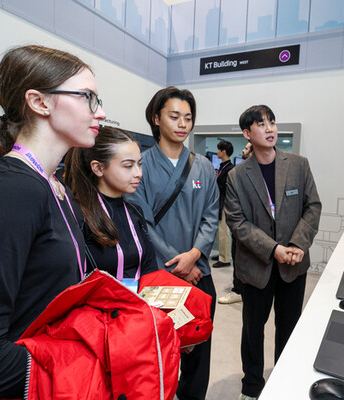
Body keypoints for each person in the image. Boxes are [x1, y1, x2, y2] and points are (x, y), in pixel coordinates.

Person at [0, 44, 106, 399]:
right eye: (88, 98)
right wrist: (85, 361)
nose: (101, 113)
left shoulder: (54, 187)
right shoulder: (12, 191)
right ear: (39, 102)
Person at [125, 86, 219, 400]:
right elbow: (142, 223)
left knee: (198, 349)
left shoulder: (203, 166)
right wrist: (179, 264)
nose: (182, 124)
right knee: (156, 351)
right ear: (156, 118)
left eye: (188, 118)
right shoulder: (140, 165)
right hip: (158, 277)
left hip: (199, 274)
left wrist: (194, 255)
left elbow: (211, 216)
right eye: (174, 116)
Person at [225, 105, 322, 400]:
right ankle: (252, 386)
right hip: (256, 267)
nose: (269, 129)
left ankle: (283, 381)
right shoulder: (237, 176)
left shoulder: (299, 165)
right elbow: (237, 222)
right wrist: (274, 249)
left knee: (289, 328)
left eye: (272, 122)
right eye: (260, 124)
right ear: (247, 133)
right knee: (252, 331)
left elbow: (312, 207)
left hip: (294, 264)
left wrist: (297, 245)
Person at [65, 126, 158, 286]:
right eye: (128, 166)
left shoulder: (135, 211)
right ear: (98, 168)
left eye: (139, 164)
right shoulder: (78, 214)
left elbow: (149, 265)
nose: (138, 173)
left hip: (136, 299)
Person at [218, 142, 252, 304]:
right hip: (239, 221)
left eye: (246, 148)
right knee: (238, 254)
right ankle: (238, 289)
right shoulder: (240, 171)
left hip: (249, 223)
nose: (243, 150)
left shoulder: (237, 170)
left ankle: (240, 290)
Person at [212, 139, 234, 268]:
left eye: (218, 150)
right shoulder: (223, 167)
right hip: (219, 202)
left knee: (223, 231)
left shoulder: (230, 169)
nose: (217, 152)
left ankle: (225, 259)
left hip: (225, 203)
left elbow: (225, 188)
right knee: (219, 231)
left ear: (223, 152)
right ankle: (222, 254)